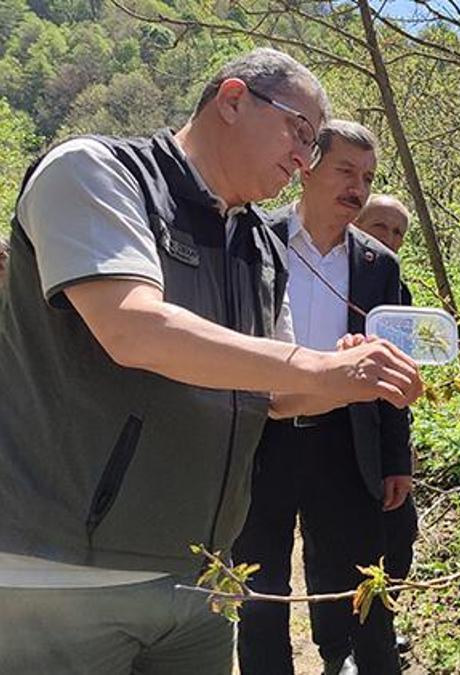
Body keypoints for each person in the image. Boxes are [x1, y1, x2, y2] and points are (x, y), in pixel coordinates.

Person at [0, 49, 424, 674]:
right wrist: (314, 367)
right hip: (67, 573)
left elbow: (276, 397)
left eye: (313, 144)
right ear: (232, 100)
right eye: (299, 132)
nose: (303, 159)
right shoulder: (95, 172)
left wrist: (356, 378)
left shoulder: (258, 244)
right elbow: (133, 329)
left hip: (202, 578)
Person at [233, 122, 412, 675]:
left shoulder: (379, 265)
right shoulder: (253, 237)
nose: (358, 188)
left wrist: (396, 460)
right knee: (258, 584)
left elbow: (391, 367)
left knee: (358, 579)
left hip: (344, 438)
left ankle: (358, 663)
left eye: (368, 177)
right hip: (261, 436)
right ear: (307, 167)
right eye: (346, 171)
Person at [356, 193, 420, 657]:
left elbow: (403, 377)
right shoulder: (331, 279)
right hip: (332, 435)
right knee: (343, 547)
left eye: (398, 232)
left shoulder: (401, 294)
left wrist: (399, 456)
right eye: (380, 226)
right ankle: (344, 644)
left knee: (398, 539)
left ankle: (380, 627)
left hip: (386, 435)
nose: (390, 239)